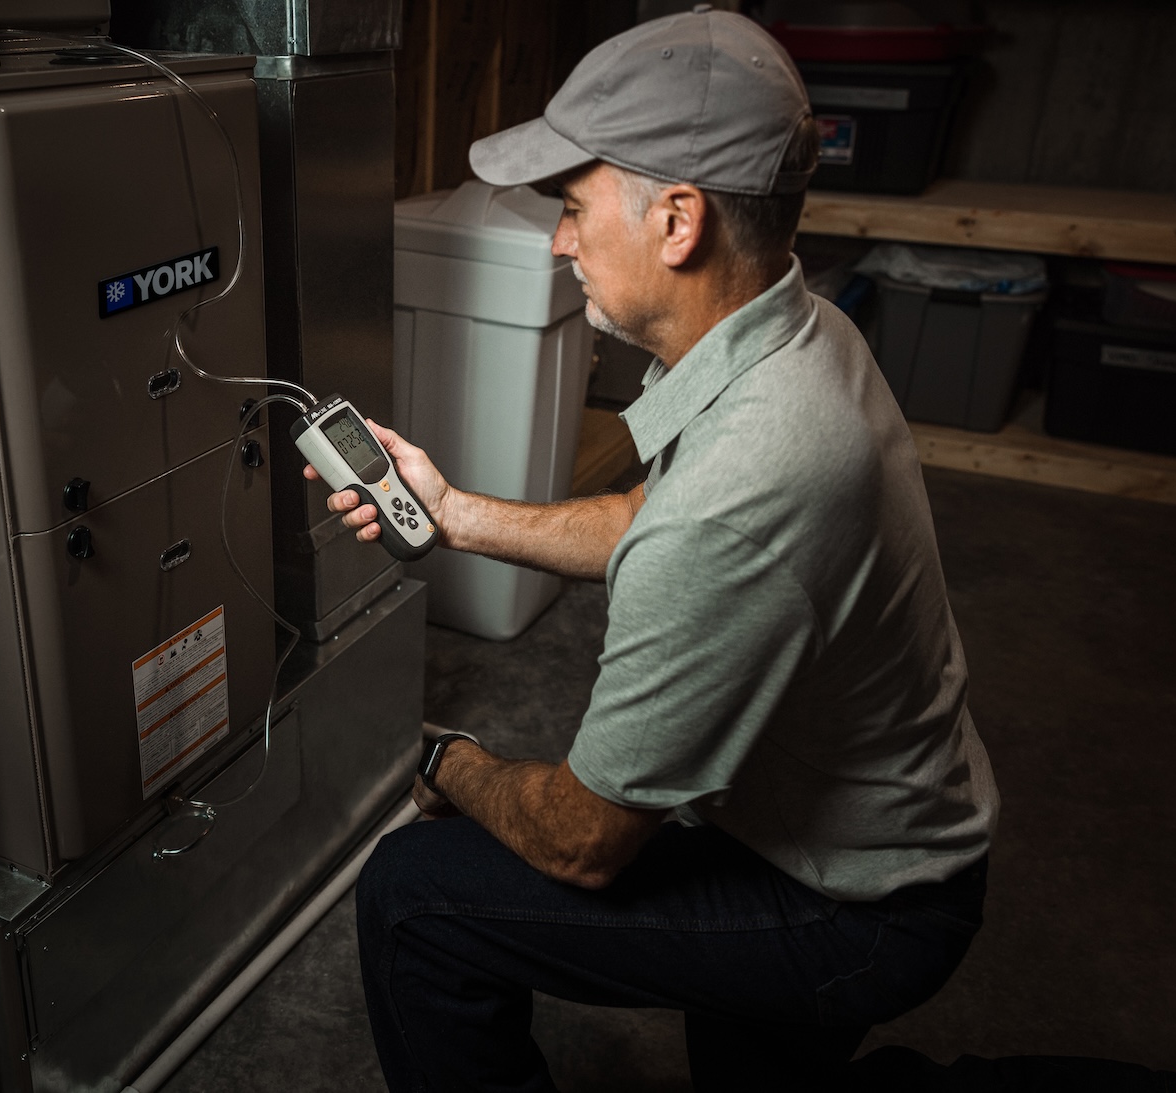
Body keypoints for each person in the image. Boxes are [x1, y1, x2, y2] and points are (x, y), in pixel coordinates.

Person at [305, 10, 999, 1092]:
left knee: (416, 893)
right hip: (878, 829)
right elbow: (645, 518)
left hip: (857, 903)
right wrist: (450, 512)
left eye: (576, 209)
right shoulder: (801, 334)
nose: (561, 242)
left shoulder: (747, 487)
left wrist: (450, 761)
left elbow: (583, 840)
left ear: (679, 222)